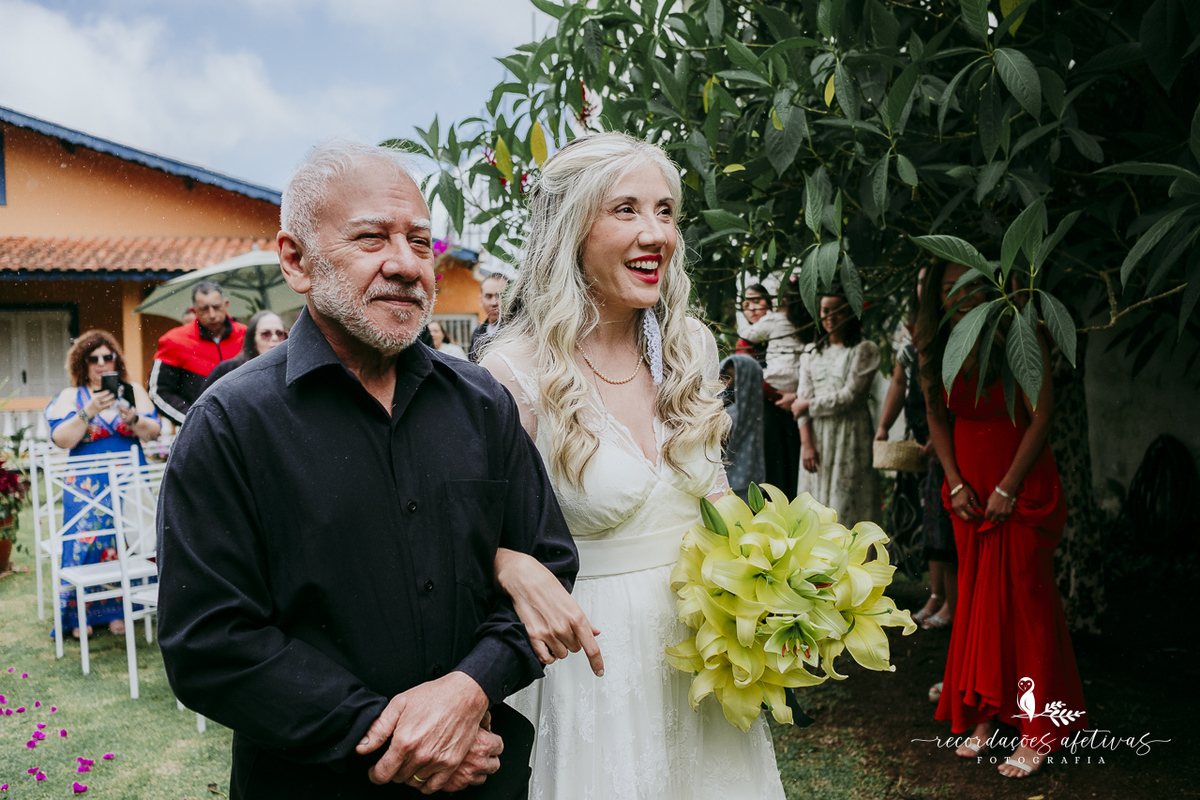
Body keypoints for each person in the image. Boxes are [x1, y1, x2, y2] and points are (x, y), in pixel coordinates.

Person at [156, 140, 579, 799]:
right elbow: (210, 643)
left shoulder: (481, 403)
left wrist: (469, 689)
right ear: (296, 260)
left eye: (420, 241)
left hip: (481, 777)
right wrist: (398, 739)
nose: (406, 264)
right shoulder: (231, 424)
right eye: (371, 238)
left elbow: (548, 563)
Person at [480, 132, 786, 799]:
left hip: (704, 648)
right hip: (592, 665)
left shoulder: (690, 345)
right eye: (626, 209)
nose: (657, 234)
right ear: (571, 229)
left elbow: (715, 494)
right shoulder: (514, 372)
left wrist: (778, 586)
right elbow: (475, 536)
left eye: (666, 211)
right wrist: (506, 562)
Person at [919, 261, 1087, 777]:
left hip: (1020, 482)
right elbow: (936, 416)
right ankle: (984, 716)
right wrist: (955, 482)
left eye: (972, 284)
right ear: (937, 296)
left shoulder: (1020, 333)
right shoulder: (935, 345)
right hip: (967, 489)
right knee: (975, 601)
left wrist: (1008, 488)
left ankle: (1039, 731)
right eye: (950, 287)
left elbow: (1043, 414)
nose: (962, 295)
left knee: (1027, 602)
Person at [44, 330, 161, 638]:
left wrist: (133, 419)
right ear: (81, 363)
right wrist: (89, 411)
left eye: (107, 357)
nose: (100, 364)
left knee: (127, 545)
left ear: (116, 360)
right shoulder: (72, 396)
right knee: (87, 545)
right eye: (92, 358)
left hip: (130, 482)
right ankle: (79, 615)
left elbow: (153, 432)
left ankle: (121, 611)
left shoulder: (132, 390)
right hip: (86, 486)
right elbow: (61, 438)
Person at [875, 268, 957, 630]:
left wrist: (940, 437)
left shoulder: (951, 332)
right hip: (918, 439)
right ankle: (936, 595)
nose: (925, 287)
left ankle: (952, 601)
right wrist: (883, 426)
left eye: (930, 280)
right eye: (920, 281)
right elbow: (898, 382)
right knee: (928, 524)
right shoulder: (912, 335)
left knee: (943, 524)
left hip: (945, 437)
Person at [791, 294, 881, 526]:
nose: (831, 317)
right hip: (817, 437)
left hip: (849, 435)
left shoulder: (863, 350)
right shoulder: (811, 352)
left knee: (847, 506)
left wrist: (809, 405)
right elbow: (801, 400)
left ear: (850, 313)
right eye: (825, 311)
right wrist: (806, 445)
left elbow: (850, 396)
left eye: (838, 311)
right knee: (814, 509)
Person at [737, 283, 804, 497]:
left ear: (769, 302)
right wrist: (777, 396)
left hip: (794, 409)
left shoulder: (789, 329)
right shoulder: (745, 344)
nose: (752, 309)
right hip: (768, 411)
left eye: (757, 301)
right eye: (746, 305)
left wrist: (794, 397)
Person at [150, 281, 247, 424]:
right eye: (204, 309)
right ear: (194, 310)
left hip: (245, 425)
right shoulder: (174, 341)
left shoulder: (247, 335)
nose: (212, 315)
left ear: (226, 304)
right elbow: (158, 392)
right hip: (200, 429)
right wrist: (192, 421)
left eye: (216, 307)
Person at [202, 310, 289, 390]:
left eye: (280, 333)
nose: (274, 338)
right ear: (253, 339)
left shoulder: (290, 370)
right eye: (265, 334)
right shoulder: (228, 370)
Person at [720, 354, 766, 503]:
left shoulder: (750, 412)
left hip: (744, 482)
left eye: (731, 377)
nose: (727, 382)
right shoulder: (722, 402)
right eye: (724, 376)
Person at [468, 274, 508, 362]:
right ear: (481, 300)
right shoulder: (477, 333)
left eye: (500, 296)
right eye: (489, 296)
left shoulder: (518, 331)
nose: (494, 302)